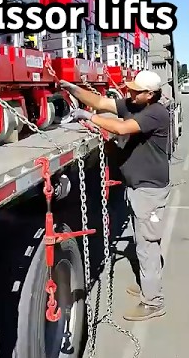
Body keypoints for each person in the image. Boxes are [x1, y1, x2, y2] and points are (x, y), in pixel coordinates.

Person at [58, 70, 171, 321]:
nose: (129, 93)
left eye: (135, 91)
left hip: (149, 189)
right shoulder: (134, 103)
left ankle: (154, 301)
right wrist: (71, 88)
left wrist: (89, 117)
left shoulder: (156, 113)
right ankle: (147, 283)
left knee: (147, 244)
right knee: (142, 241)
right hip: (137, 187)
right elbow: (100, 102)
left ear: (150, 94)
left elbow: (121, 127)